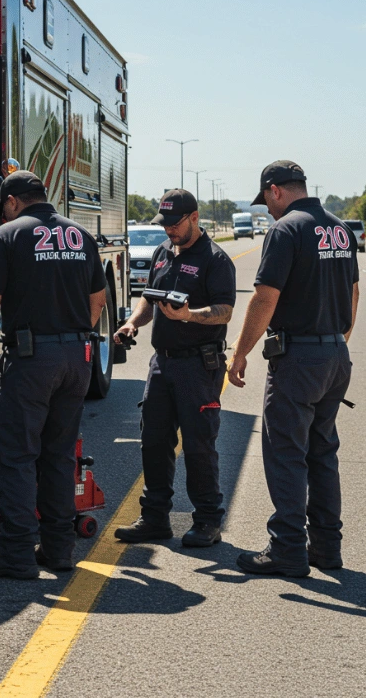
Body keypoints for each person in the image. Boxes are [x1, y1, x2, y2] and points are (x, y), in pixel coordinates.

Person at [0, 170, 107, 579]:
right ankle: (59, 550)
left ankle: (17, 554)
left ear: (11, 202)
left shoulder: (7, 237)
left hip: (32, 359)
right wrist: (72, 335)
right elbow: (98, 300)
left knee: (17, 456)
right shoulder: (81, 236)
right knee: (59, 456)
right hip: (77, 357)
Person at [228, 160, 359, 577]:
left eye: (266, 200)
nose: (266, 209)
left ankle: (287, 549)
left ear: (275, 190)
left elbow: (265, 298)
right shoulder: (338, 227)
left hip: (299, 358)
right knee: (322, 452)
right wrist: (336, 345)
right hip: (335, 354)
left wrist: (240, 353)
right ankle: (326, 547)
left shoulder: (286, 230)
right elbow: (354, 294)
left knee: (286, 453)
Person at [113, 189, 236, 547]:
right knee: (153, 442)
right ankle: (154, 519)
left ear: (194, 217)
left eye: (175, 223)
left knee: (199, 445)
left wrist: (189, 315)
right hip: (162, 364)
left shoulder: (216, 259)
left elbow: (225, 310)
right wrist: (132, 323)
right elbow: (149, 300)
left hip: (199, 366)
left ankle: (208, 522)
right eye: (164, 224)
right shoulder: (162, 253)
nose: (169, 230)